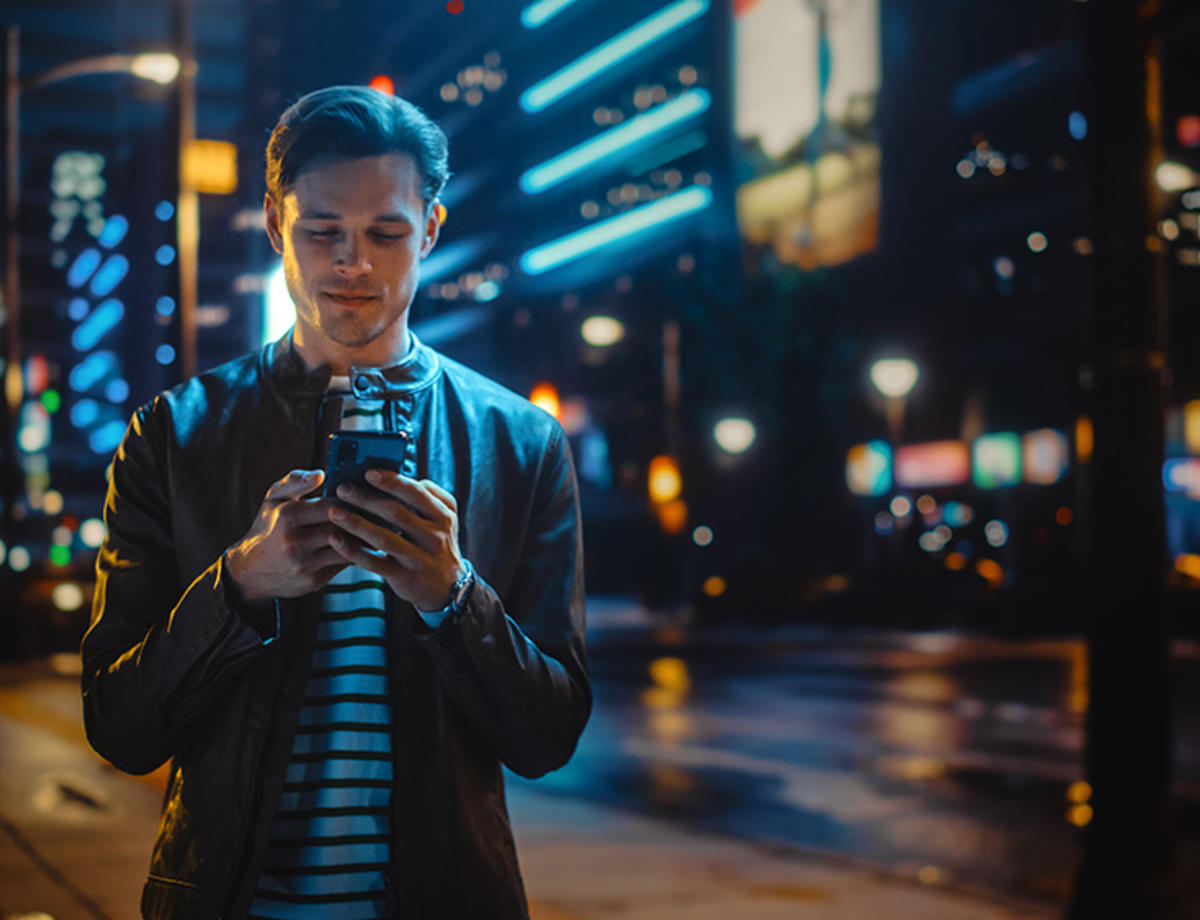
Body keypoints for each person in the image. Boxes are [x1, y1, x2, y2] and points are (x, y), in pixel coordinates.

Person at [80, 85, 590, 920]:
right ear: (278, 227)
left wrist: (451, 597)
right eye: (323, 231)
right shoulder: (173, 435)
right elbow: (119, 728)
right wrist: (240, 585)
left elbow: (548, 735)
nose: (353, 262)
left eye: (386, 233)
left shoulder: (521, 442)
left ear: (430, 230)